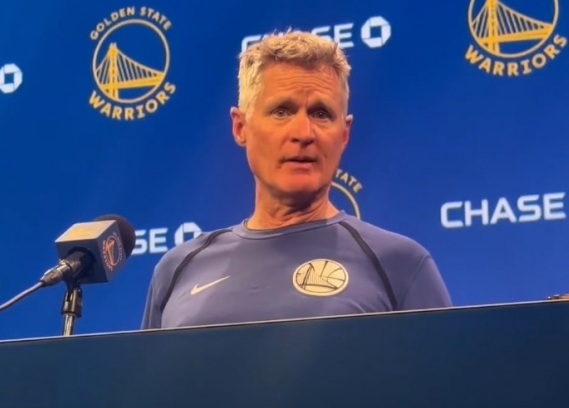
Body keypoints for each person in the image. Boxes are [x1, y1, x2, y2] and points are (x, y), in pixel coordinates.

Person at [141, 31, 452, 329]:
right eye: (281, 111)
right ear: (240, 127)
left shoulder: (400, 266)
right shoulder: (178, 269)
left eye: (321, 114)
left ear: (344, 134)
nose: (303, 133)